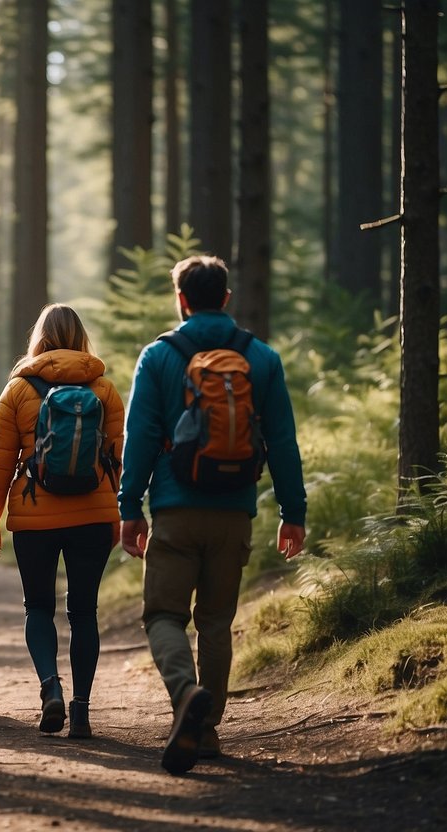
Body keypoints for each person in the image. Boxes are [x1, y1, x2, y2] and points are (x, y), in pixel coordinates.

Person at [118, 254, 307, 775]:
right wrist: (294, 512)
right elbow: (284, 443)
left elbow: (140, 438)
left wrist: (129, 507)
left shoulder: (158, 357)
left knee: (162, 615)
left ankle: (185, 694)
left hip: (176, 510)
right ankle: (206, 728)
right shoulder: (261, 358)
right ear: (226, 298)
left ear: (180, 299)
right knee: (217, 620)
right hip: (234, 512)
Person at [0, 303, 124, 739]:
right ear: (82, 339)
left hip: (34, 515)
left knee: (38, 607)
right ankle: (81, 711)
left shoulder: (18, 392)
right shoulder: (105, 392)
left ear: (38, 339)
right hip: (93, 517)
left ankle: (50, 689)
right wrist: (117, 514)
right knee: (84, 612)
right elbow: (117, 463)